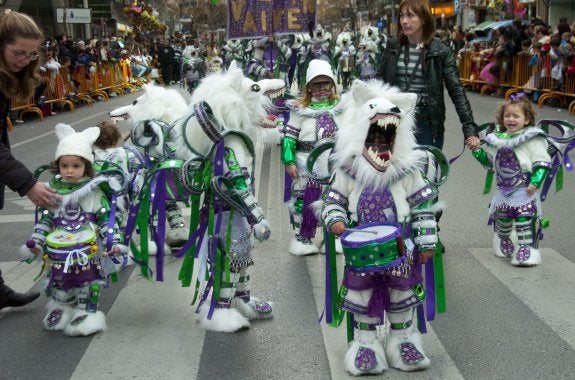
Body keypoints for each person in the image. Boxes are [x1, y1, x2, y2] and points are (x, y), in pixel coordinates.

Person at [320, 79, 444, 375]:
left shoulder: (408, 168)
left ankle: (403, 340)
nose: (381, 138)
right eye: (375, 130)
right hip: (360, 246)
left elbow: (423, 207)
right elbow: (334, 198)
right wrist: (335, 219)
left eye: (388, 132)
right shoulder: (348, 167)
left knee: (402, 294)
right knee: (360, 295)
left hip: (401, 246)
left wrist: (427, 242)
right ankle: (365, 344)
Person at [18, 123, 127, 336]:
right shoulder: (53, 191)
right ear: (57, 166)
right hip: (58, 251)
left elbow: (106, 219)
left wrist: (114, 242)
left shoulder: (94, 191)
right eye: (64, 165)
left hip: (88, 250)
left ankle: (86, 311)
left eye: (75, 166)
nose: (69, 171)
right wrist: (36, 243)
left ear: (86, 166)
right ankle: (62, 306)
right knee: (59, 282)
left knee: (87, 282)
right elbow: (45, 220)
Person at [0, 11, 61, 311]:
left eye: (30, 54)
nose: (24, 60)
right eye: (18, 53)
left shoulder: (12, 75)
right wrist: (27, 184)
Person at [379, 0, 480, 151]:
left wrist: (469, 128)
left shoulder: (441, 50)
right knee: (394, 172)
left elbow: (456, 90)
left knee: (425, 172)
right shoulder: (393, 45)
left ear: (424, 18)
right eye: (401, 16)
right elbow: (379, 81)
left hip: (426, 122)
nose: (404, 21)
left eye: (410, 16)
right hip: (393, 119)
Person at [470, 95, 551, 267]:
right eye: (507, 116)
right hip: (503, 190)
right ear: (502, 118)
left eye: (516, 116)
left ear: (527, 119)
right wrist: (477, 151)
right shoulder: (497, 139)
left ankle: (526, 249)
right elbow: (490, 163)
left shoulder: (533, 138)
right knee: (503, 221)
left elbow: (542, 162)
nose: (511, 119)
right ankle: (505, 239)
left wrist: (535, 181)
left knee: (524, 219)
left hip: (524, 189)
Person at [281, 59, 345, 256]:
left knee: (335, 199)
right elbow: (289, 138)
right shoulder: (299, 110)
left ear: (333, 85)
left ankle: (333, 238)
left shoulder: (341, 107)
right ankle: (303, 238)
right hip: (304, 162)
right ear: (308, 87)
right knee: (303, 199)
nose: (322, 88)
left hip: (333, 163)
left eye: (326, 83)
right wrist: (289, 161)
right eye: (317, 84)